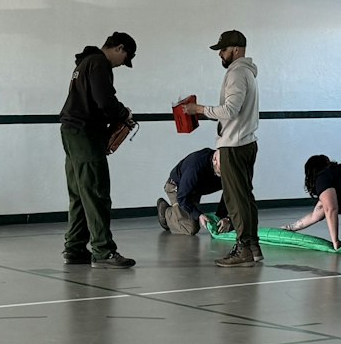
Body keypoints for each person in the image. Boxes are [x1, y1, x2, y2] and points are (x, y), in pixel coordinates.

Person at [58, 33, 138, 269]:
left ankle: (74, 248)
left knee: (79, 194)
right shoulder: (99, 62)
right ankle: (103, 251)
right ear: (119, 48)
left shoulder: (84, 62)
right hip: (85, 134)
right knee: (96, 192)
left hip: (71, 131)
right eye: (125, 58)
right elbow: (104, 100)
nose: (121, 64)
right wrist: (124, 114)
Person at [196, 30, 261, 266]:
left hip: (233, 145)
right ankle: (253, 246)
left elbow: (230, 110)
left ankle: (243, 249)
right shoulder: (248, 73)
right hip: (246, 143)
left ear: (235, 49)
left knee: (235, 200)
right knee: (245, 197)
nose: (220, 55)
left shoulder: (236, 73)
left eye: (222, 50)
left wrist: (200, 109)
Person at [157, 147, 223, 237]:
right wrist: (199, 215)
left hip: (194, 190)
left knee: (192, 217)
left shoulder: (225, 170)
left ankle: (178, 212)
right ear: (214, 160)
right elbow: (182, 197)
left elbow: (229, 193)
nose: (225, 171)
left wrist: (221, 217)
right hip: (177, 188)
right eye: (222, 167)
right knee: (191, 228)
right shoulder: (195, 167)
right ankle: (166, 212)